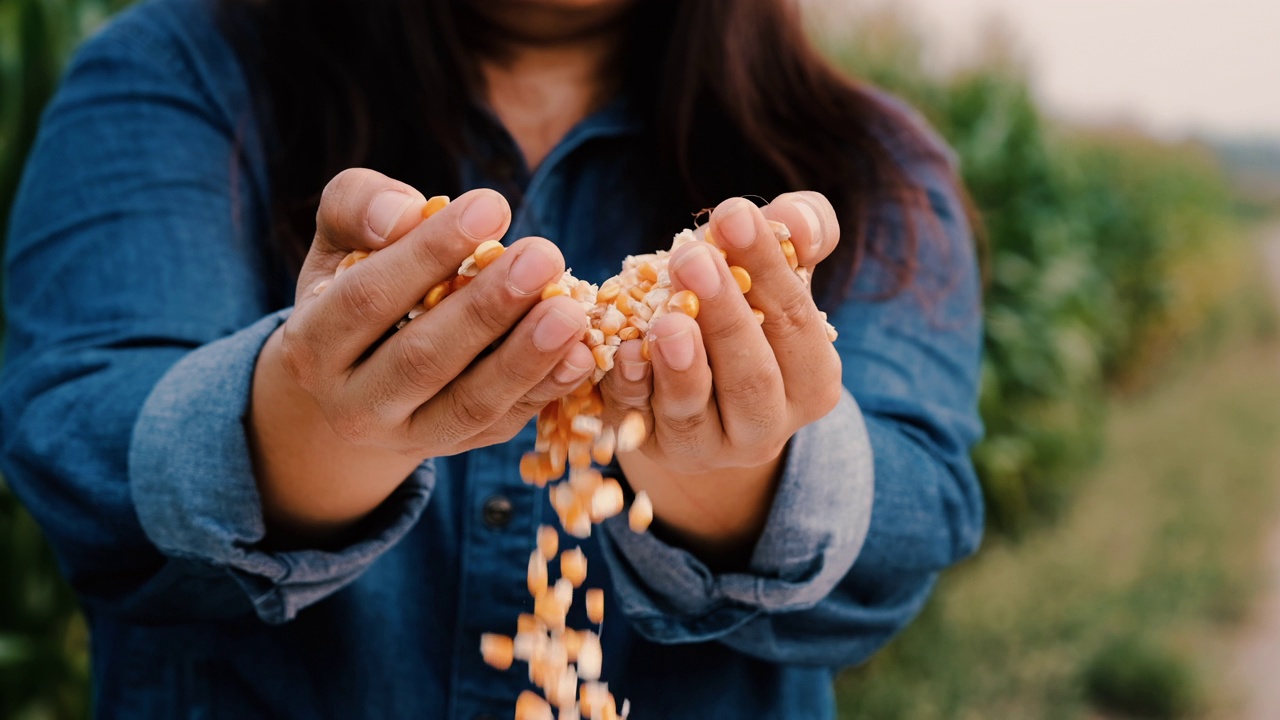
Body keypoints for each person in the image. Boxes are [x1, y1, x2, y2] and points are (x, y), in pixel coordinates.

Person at [0, 0, 985, 716]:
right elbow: (77, 451)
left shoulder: (873, 161)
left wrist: (737, 469)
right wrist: (303, 428)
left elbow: (908, 525)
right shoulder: (176, 72)